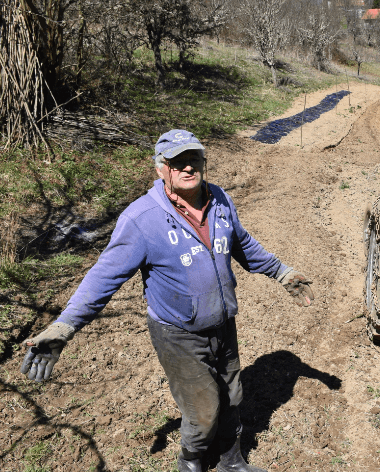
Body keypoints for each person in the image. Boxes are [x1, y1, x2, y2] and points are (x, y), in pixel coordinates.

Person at [19, 130, 314, 472]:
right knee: (203, 411)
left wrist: (281, 272)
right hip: (177, 333)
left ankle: (231, 462)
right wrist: (65, 324)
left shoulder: (219, 200)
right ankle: (191, 463)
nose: (188, 168)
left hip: (222, 323)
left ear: (204, 162)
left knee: (232, 397)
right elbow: (104, 276)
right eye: (177, 163)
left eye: (194, 160)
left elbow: (243, 244)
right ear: (161, 168)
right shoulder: (142, 219)